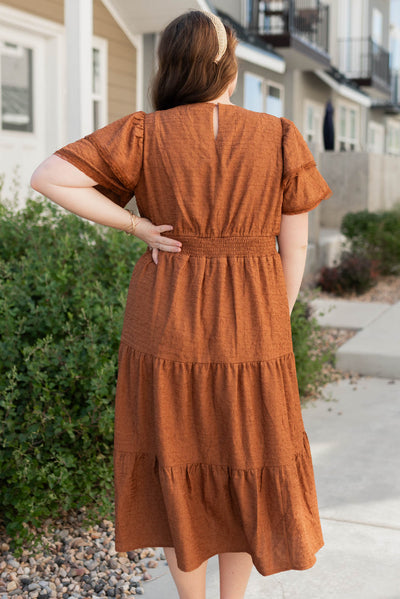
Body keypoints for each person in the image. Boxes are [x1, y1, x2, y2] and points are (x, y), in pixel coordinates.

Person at [30, 9, 333, 599]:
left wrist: (135, 226)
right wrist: (274, 318)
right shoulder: (278, 136)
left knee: (178, 458)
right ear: (229, 65)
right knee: (246, 460)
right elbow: (294, 246)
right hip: (254, 323)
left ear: (172, 65)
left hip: (166, 316)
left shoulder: (145, 131)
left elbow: (48, 176)